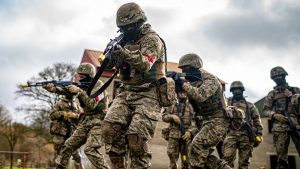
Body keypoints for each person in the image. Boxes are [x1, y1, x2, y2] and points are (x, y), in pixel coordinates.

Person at [101, 2, 166, 169]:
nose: (125, 31)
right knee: (109, 129)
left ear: (139, 22)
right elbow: (109, 66)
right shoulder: (123, 40)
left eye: (128, 27)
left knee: (135, 138)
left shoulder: (152, 40)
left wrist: (123, 52)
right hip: (126, 91)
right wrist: (109, 56)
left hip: (149, 93)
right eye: (122, 28)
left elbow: (145, 64)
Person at [174, 53, 231, 169]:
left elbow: (200, 96)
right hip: (206, 122)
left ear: (194, 66)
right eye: (182, 69)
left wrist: (183, 83)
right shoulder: (193, 83)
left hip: (218, 121)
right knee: (200, 154)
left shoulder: (210, 79)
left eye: (185, 68)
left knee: (197, 145)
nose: (183, 71)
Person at [55, 63, 110, 169]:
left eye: (82, 77)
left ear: (90, 76)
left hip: (99, 121)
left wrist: (79, 92)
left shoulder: (99, 85)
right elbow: (65, 91)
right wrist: (54, 89)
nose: (80, 79)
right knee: (68, 145)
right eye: (79, 76)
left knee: (90, 149)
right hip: (86, 121)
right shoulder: (82, 86)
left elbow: (91, 104)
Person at [263, 66, 300, 169]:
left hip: (296, 125)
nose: (278, 78)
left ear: (284, 75)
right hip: (279, 127)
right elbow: (265, 110)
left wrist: (291, 96)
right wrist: (274, 115)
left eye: (280, 75)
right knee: (281, 158)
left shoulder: (295, 90)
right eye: (275, 77)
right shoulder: (272, 94)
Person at [222, 81, 263, 169]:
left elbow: (257, 121)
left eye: (239, 89)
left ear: (242, 90)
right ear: (232, 91)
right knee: (227, 161)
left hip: (246, 136)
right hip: (230, 135)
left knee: (244, 163)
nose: (237, 91)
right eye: (234, 89)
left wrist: (259, 134)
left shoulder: (250, 106)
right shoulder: (226, 103)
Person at [44, 83, 84, 169]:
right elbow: (52, 115)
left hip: (73, 134)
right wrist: (64, 114)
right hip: (60, 135)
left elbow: (81, 117)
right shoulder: (59, 103)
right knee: (60, 159)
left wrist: (75, 116)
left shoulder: (76, 105)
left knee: (78, 157)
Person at [162, 88, 197, 169]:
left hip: (186, 137)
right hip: (173, 136)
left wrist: (189, 132)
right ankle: (173, 167)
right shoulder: (172, 105)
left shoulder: (191, 106)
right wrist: (172, 116)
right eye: (180, 92)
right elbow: (164, 117)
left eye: (184, 92)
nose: (182, 94)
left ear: (187, 93)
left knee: (185, 157)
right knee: (172, 154)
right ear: (177, 93)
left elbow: (194, 122)